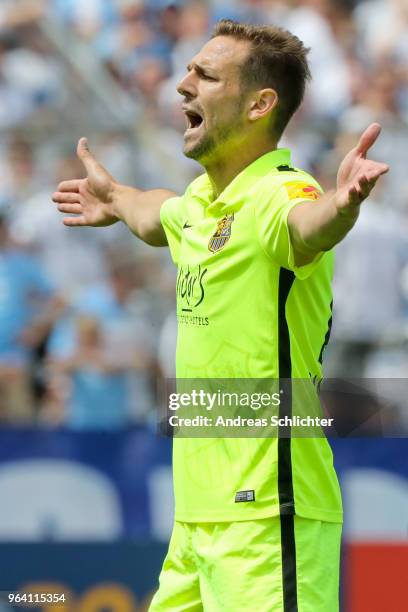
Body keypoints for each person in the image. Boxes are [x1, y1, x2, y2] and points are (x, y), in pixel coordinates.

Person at [52, 19, 389, 612]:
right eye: (187, 71)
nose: (183, 86)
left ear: (261, 103)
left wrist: (341, 206)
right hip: (196, 523)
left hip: (269, 516)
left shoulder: (282, 193)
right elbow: (157, 215)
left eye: (205, 75)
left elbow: (308, 228)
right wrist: (117, 198)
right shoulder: (201, 205)